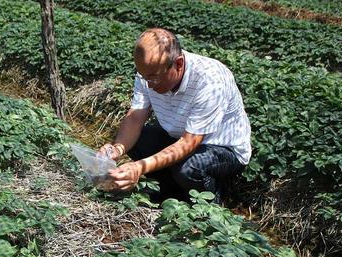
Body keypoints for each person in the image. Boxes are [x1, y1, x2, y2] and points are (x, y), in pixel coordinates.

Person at [98, 28, 251, 205]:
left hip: (221, 148)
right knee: (138, 140)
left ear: (178, 64)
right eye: (144, 77)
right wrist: (117, 149)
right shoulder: (148, 72)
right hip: (178, 137)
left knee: (190, 167)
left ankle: (208, 209)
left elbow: (189, 143)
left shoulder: (210, 80)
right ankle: (170, 192)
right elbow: (135, 118)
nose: (149, 85)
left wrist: (139, 167)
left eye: (154, 78)